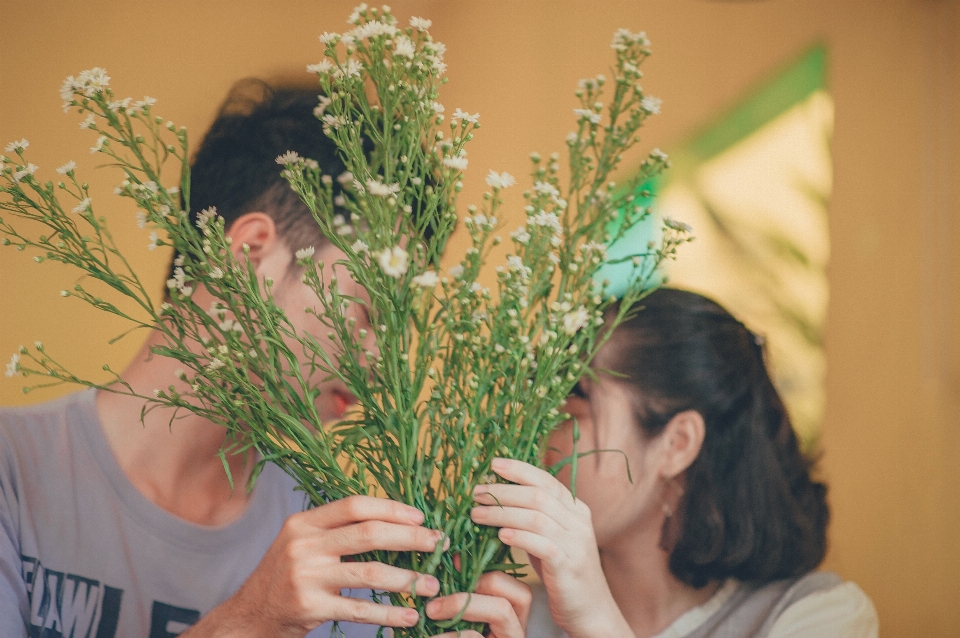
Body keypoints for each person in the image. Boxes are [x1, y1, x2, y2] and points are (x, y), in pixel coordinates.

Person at [0, 80, 528, 638]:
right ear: (250, 257)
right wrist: (251, 621)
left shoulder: (343, 554)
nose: (381, 366)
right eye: (370, 312)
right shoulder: (15, 471)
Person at [470, 288, 879, 638]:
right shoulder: (510, 610)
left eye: (572, 402)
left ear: (676, 445)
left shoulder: (815, 615)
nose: (537, 432)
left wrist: (596, 623)